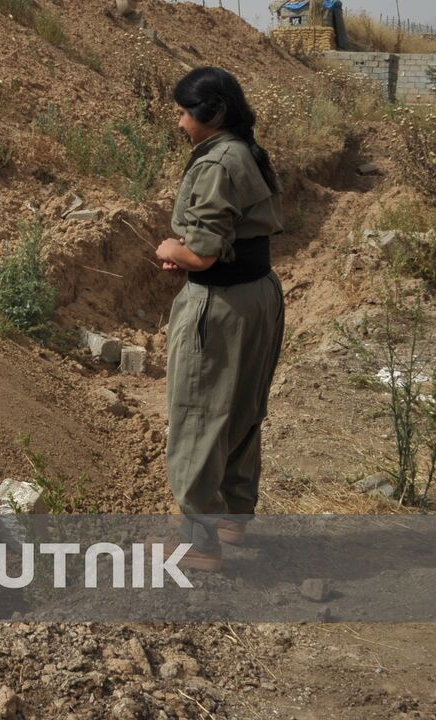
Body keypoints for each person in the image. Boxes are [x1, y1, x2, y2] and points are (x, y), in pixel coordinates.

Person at [155, 66, 285, 572]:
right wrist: (193, 252)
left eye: (186, 112)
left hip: (222, 305)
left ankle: (199, 541)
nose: (181, 121)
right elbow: (230, 237)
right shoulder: (246, 151)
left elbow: (204, 255)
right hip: (257, 295)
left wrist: (175, 250)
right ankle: (232, 517)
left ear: (215, 113)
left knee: (199, 413)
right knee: (242, 410)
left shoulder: (217, 163)